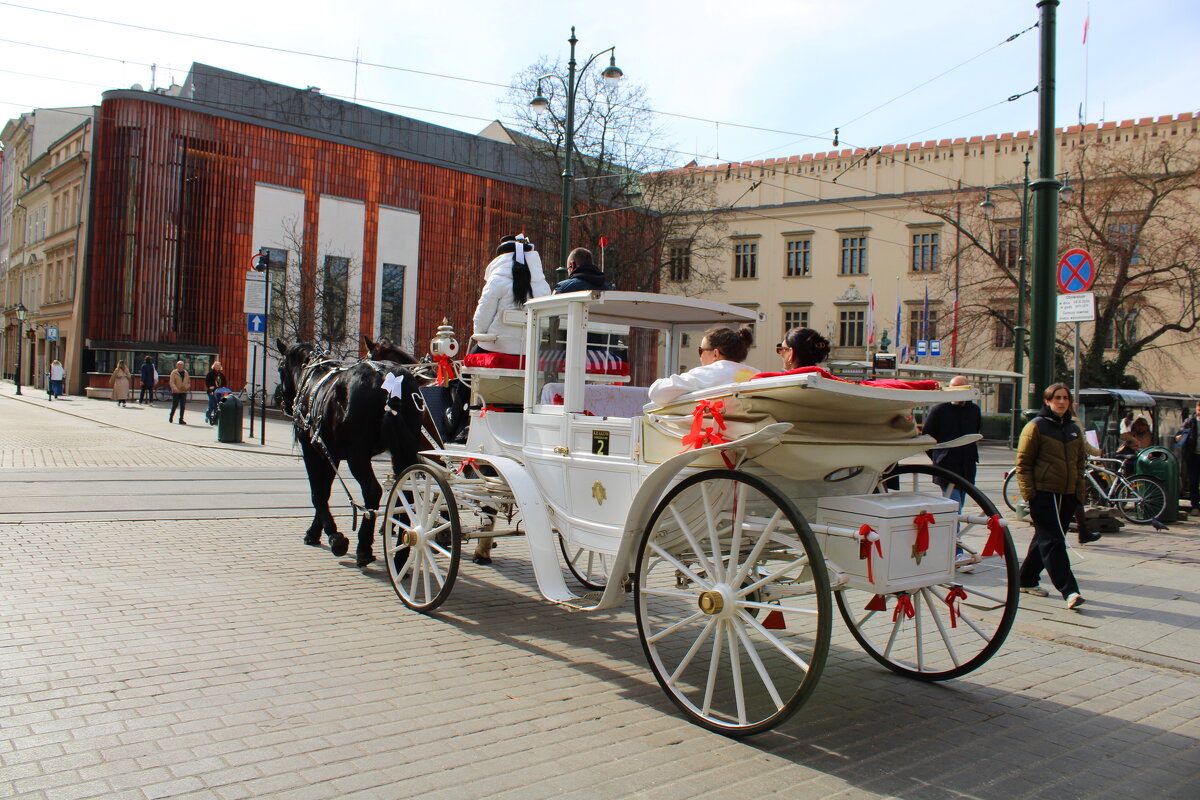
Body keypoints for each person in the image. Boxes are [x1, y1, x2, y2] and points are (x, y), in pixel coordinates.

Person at [1016, 383, 1088, 610]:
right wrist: (1030, 494)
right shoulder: (1035, 426)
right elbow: (1023, 464)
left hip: (1066, 494)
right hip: (1044, 493)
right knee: (1054, 542)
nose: (1062, 402)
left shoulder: (1073, 429)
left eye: (1065, 398)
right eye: (1057, 398)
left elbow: (1080, 462)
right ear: (1047, 401)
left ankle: (1025, 579)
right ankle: (1070, 590)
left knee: (1045, 539)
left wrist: (1078, 492)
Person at [471, 234, 551, 355]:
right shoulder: (544, 286)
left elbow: (481, 322)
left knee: (468, 362)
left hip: (495, 348)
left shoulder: (496, 281)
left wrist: (481, 334)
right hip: (531, 353)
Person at [647, 327, 759, 406]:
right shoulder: (757, 375)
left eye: (701, 350)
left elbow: (657, 392)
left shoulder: (710, 373)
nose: (700, 356)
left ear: (716, 353)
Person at [922, 376, 981, 507]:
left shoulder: (974, 410)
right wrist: (940, 456)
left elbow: (975, 432)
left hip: (967, 467)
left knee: (960, 503)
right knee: (955, 507)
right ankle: (955, 527)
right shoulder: (939, 410)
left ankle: (955, 526)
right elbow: (926, 437)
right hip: (947, 466)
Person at [1176, 399, 1200, 513]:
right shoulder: (1190, 421)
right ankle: (1195, 506)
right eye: (1199, 409)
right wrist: (1178, 438)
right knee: (1194, 481)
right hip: (1193, 456)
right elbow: (1179, 435)